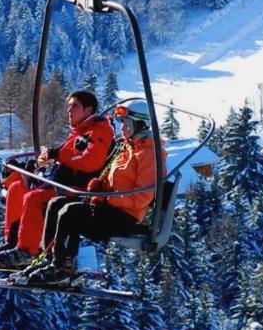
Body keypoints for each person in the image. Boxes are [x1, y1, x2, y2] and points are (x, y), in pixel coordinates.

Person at [20, 99, 166, 284]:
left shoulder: (150, 155)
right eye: (121, 124)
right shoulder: (127, 148)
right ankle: (48, 257)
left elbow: (141, 197)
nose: (122, 129)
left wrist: (106, 198)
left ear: (140, 124)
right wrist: (99, 187)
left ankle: (62, 266)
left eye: (126, 124)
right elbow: (114, 181)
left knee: (71, 212)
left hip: (124, 217)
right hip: (109, 210)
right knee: (56, 203)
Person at [0, 90, 114, 267]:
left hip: (75, 189)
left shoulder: (99, 132)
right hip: (59, 182)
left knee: (34, 198)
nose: (69, 111)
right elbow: (65, 156)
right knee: (16, 189)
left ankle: (27, 251)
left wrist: (58, 155)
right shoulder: (79, 131)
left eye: (75, 106)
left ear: (88, 109)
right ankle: (14, 242)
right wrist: (44, 162)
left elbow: (90, 161)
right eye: (69, 107)